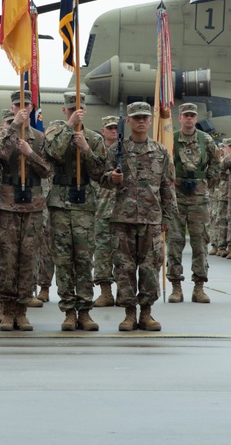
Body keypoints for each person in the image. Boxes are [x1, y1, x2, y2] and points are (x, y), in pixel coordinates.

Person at [102, 102, 179, 331]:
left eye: (145, 117)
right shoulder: (116, 150)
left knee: (150, 268)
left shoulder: (160, 151)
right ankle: (128, 314)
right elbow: (101, 178)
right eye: (136, 118)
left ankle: (146, 313)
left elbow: (167, 186)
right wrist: (111, 178)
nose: (141, 121)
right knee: (124, 269)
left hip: (151, 219)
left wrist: (167, 218)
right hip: (122, 219)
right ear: (128, 121)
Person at [0, 89, 52, 332]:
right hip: (7, 203)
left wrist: (30, 153)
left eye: (26, 104)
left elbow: (47, 170)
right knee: (7, 257)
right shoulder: (1, 134)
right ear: (12, 108)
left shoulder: (39, 138)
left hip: (32, 205)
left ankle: (22, 310)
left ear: (33, 108)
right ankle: (6, 309)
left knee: (28, 258)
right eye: (18, 105)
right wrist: (13, 128)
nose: (22, 109)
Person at [43, 91, 107, 331]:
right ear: (64, 110)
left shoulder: (93, 138)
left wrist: (86, 148)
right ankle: (69, 310)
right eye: (70, 110)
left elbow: (100, 172)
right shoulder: (55, 132)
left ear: (85, 110)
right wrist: (70, 127)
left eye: (78, 109)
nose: (74, 113)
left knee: (83, 259)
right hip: (60, 203)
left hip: (83, 205)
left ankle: (85, 311)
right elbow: (52, 153)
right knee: (63, 260)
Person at [167, 102, 220, 303]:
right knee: (174, 242)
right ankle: (176, 286)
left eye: (192, 115)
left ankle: (199, 286)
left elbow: (216, 163)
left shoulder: (205, 139)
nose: (189, 119)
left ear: (196, 118)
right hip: (176, 197)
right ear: (179, 118)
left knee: (200, 242)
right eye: (185, 115)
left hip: (199, 197)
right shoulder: (171, 139)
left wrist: (205, 182)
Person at [92, 115, 119, 307]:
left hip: (123, 209)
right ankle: (105, 292)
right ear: (103, 131)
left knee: (124, 254)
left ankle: (125, 292)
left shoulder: (126, 150)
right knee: (102, 252)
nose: (113, 131)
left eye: (116, 128)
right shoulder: (97, 150)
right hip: (101, 207)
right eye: (109, 128)